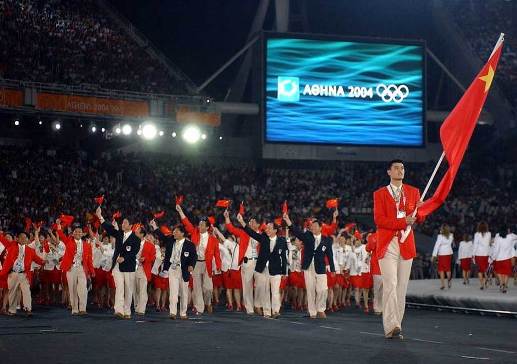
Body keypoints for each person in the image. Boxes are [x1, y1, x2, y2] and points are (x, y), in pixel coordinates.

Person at [373, 159, 423, 339]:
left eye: (402, 168)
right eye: (396, 168)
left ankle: (397, 325)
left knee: (401, 287)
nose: (400, 170)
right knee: (391, 284)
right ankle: (390, 325)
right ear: (389, 172)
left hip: (406, 243)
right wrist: (403, 221)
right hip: (387, 244)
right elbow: (379, 220)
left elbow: (419, 219)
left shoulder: (413, 192)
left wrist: (421, 211)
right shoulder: (380, 194)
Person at [283, 213, 335, 319]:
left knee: (323, 289)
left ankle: (320, 309)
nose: (313, 227)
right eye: (312, 226)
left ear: (321, 228)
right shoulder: (307, 236)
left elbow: (330, 255)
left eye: (315, 226)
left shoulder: (327, 240)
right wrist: (288, 221)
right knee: (310, 290)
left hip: (320, 267)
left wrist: (333, 269)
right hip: (308, 267)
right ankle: (312, 312)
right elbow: (296, 231)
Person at [236, 213, 287, 319]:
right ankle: (267, 312)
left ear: (275, 230)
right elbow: (251, 233)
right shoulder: (263, 237)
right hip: (263, 269)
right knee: (265, 291)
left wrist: (284, 272)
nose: (266, 229)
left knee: (275, 291)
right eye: (266, 227)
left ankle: (276, 311)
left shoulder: (282, 241)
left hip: (276, 269)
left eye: (269, 228)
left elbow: (284, 257)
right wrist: (242, 222)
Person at [97, 207, 141, 319]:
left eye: (125, 223)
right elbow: (110, 229)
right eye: (122, 222)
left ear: (131, 226)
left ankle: (127, 312)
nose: (122, 224)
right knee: (119, 287)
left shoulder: (136, 239)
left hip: (129, 267)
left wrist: (124, 258)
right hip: (117, 266)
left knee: (128, 289)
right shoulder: (119, 234)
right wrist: (100, 217)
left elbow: (135, 251)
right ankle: (119, 310)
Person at [176, 204, 221, 315]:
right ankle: (199, 308)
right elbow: (186, 223)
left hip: (207, 264)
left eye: (202, 225)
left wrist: (218, 266)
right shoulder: (194, 232)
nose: (199, 226)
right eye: (199, 224)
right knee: (196, 287)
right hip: (195, 263)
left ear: (207, 227)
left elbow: (217, 254)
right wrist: (180, 211)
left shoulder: (213, 240)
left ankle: (208, 302)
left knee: (208, 288)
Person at [153, 224, 197, 319]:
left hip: (184, 270)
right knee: (173, 291)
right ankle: (172, 312)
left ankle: (183, 313)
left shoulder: (189, 245)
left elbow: (194, 257)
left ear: (182, 233)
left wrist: (191, 265)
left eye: (176, 231)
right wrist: (155, 227)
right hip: (172, 269)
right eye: (174, 231)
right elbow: (162, 237)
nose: (174, 233)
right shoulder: (171, 241)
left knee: (184, 292)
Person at [0, 228, 46, 316]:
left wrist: (43, 261)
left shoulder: (30, 250)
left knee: (26, 291)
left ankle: (28, 309)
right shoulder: (11, 246)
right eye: (21, 237)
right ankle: (12, 310)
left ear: (28, 240)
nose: (23, 239)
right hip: (12, 273)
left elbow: (37, 259)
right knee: (12, 292)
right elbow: (4, 240)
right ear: (17, 239)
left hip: (24, 274)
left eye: (25, 238)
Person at [223, 210, 260, 315]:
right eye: (250, 222)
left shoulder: (263, 234)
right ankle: (250, 308)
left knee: (260, 285)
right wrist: (227, 217)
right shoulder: (244, 232)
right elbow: (231, 228)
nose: (250, 223)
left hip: (259, 263)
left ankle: (258, 305)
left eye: (253, 222)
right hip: (247, 262)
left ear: (258, 224)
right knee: (247, 286)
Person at [56, 221, 95, 315]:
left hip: (82, 268)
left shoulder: (87, 245)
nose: (78, 233)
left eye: (80, 231)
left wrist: (91, 271)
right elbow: (61, 235)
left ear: (82, 233)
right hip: (71, 268)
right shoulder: (69, 241)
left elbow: (89, 260)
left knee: (83, 289)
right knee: (72, 289)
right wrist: (58, 225)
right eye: (76, 231)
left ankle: (82, 309)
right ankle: (74, 309)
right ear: (73, 233)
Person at [133, 226, 156, 316]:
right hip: (133, 268)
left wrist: (145, 258)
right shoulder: (132, 243)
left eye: (137, 232)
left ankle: (141, 309)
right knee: (135, 289)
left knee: (142, 289)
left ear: (142, 234)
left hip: (144, 269)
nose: (135, 234)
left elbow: (153, 257)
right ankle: (136, 306)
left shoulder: (150, 245)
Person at [491, 226, 516, 293]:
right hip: (507, 258)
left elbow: (496, 250)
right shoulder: (510, 237)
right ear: (507, 230)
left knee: (500, 273)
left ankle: (502, 284)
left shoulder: (498, 239)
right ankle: (504, 286)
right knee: (506, 273)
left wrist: (493, 258)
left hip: (499, 259)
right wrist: (510, 233)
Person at [431, 224, 454, 290]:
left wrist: (433, 255)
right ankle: (449, 282)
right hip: (449, 253)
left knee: (441, 269)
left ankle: (443, 284)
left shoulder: (440, 236)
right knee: (448, 268)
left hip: (442, 254)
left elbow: (437, 246)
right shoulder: (451, 236)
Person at [366, 232, 382, 315]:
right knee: (382, 289)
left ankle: (377, 308)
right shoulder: (391, 234)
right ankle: (379, 307)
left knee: (378, 289)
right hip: (382, 266)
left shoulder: (374, 236)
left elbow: (368, 248)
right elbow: (368, 248)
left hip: (378, 266)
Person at [473, 222, 491, 290]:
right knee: (485, 269)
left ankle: (482, 284)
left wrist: (473, 255)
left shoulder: (476, 234)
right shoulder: (489, 234)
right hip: (486, 254)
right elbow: (489, 244)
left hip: (478, 254)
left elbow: (475, 245)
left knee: (480, 270)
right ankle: (486, 282)